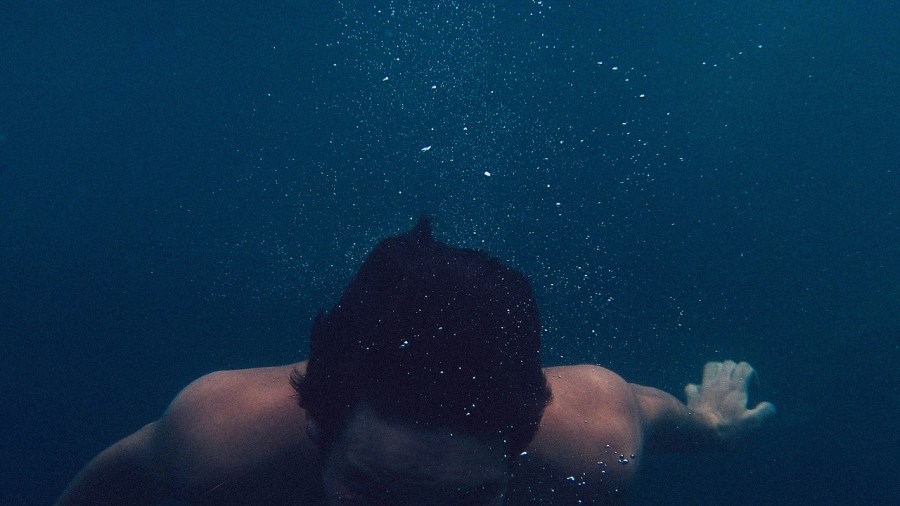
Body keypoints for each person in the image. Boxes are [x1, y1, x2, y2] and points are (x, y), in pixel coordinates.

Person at [55, 217, 776, 505]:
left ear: (521, 447)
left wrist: (711, 424)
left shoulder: (593, 443)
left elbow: (652, 410)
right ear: (316, 430)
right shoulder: (220, 437)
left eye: (464, 502)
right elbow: (111, 480)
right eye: (373, 489)